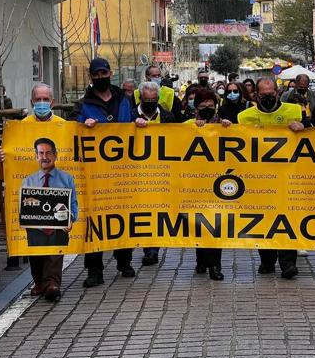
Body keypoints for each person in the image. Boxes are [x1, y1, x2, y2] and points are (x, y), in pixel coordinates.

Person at [75, 57, 136, 288]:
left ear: (111, 74)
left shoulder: (124, 98)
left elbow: (132, 121)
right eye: (96, 74)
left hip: (122, 170)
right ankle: (94, 269)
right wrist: (83, 124)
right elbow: (72, 128)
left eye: (104, 73)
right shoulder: (83, 104)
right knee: (95, 220)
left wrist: (138, 123)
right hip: (95, 173)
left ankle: (125, 262)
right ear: (91, 77)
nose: (100, 77)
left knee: (124, 217)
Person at [238, 77, 305, 279]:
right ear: (256, 95)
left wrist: (303, 128)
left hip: (288, 177)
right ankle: (267, 261)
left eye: (271, 93)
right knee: (263, 220)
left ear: (278, 92)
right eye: (263, 94)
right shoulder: (244, 117)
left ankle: (288, 264)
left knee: (287, 219)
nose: (268, 96)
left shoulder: (294, 112)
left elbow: (314, 135)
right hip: (259, 179)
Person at [0, 83, 66, 272]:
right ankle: (38, 281)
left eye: (45, 100)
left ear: (52, 102)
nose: (41, 103)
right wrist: (1, 156)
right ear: (31, 102)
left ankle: (52, 282)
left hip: (56, 188)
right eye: (38, 100)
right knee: (35, 235)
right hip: (31, 189)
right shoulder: (19, 128)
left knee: (56, 232)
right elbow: (9, 153)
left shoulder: (64, 126)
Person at [21, 138, 78, 302]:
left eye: (48, 153)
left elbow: (73, 205)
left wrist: (70, 219)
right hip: (36, 228)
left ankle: (52, 284)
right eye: (41, 153)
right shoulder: (28, 181)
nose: (44, 157)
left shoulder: (66, 179)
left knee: (55, 250)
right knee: (36, 253)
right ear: (36, 156)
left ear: (55, 155)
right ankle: (39, 282)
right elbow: (25, 207)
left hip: (57, 227)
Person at [188, 88, 233, 280]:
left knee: (216, 225)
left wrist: (229, 128)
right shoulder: (187, 125)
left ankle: (215, 265)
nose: (207, 108)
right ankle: (201, 260)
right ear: (196, 107)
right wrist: (192, 128)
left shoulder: (224, 126)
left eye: (210, 105)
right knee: (199, 224)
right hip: (195, 183)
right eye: (203, 105)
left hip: (218, 184)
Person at [132, 81, 178, 266]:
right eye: (146, 99)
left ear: (158, 99)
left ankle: (152, 249)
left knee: (155, 211)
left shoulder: (168, 117)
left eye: (153, 99)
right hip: (134, 174)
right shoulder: (128, 116)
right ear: (140, 98)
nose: (150, 102)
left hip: (160, 174)